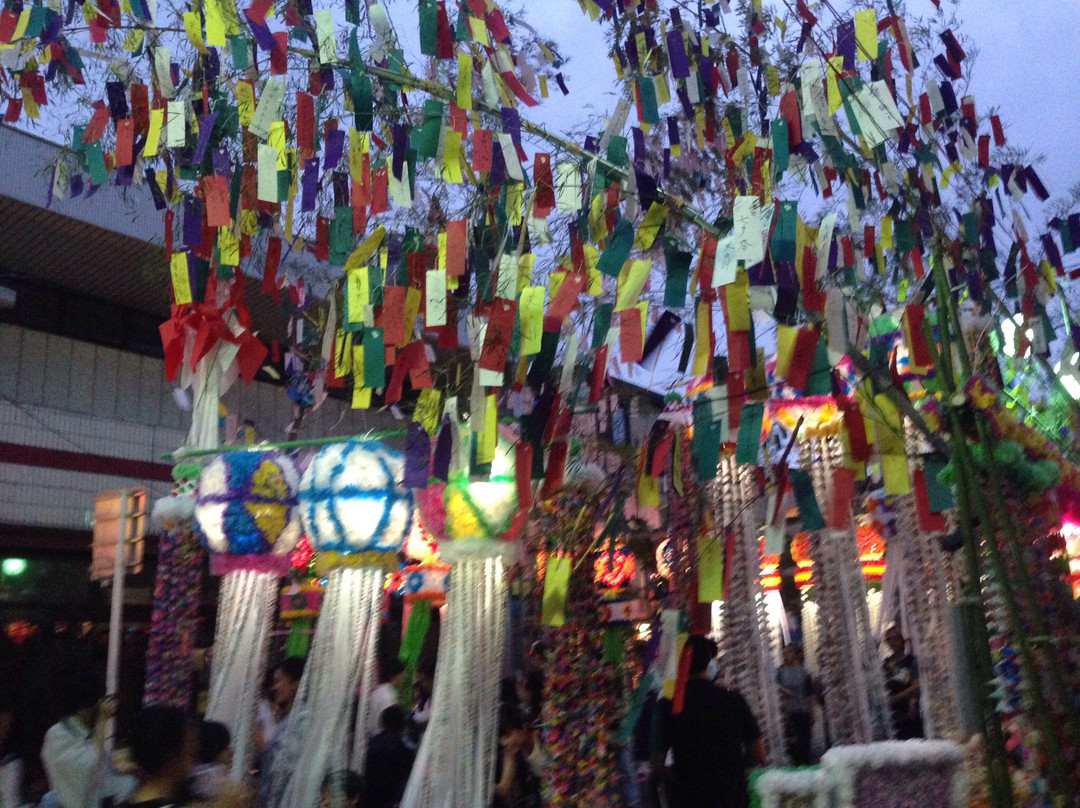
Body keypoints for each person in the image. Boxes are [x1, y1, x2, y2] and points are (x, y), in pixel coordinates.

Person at [662, 635, 766, 808]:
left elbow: (658, 765)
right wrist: (734, 764)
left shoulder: (669, 705)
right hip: (731, 796)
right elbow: (759, 755)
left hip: (688, 798)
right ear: (709, 661)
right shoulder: (733, 700)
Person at [41, 677, 136, 808]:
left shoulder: (85, 732)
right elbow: (90, 765)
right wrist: (101, 719)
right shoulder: (57, 734)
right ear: (85, 708)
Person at [257, 656, 305, 807]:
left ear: (295, 684)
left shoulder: (302, 721)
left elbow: (285, 772)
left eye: (278, 681)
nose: (274, 688)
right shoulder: (288, 721)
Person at [364, 706, 414, 808]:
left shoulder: (373, 741)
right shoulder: (404, 745)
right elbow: (405, 775)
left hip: (371, 793)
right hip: (391, 796)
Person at [493, 705, 540, 808]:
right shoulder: (511, 753)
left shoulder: (545, 738)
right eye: (501, 739)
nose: (504, 743)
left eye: (507, 736)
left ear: (523, 728)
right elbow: (503, 789)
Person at [882, 626, 923, 739]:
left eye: (896, 639)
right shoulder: (885, 664)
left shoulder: (911, 661)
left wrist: (895, 699)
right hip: (892, 718)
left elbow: (916, 687)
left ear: (902, 641)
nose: (893, 643)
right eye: (890, 640)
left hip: (909, 715)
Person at [776, 644, 814, 765]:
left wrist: (811, 712)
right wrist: (781, 689)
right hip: (787, 714)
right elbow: (772, 686)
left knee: (804, 743)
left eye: (788, 653)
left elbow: (809, 694)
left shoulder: (804, 671)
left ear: (795, 654)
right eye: (784, 653)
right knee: (791, 745)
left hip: (802, 711)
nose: (785, 656)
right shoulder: (780, 672)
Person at [190, 720, 232, 800]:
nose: (231, 752)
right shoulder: (214, 779)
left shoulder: (191, 774)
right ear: (215, 749)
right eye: (225, 747)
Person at [367, 659, 405, 738]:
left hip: (373, 736)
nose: (404, 677)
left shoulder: (378, 690)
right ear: (396, 676)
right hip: (383, 740)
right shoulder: (390, 696)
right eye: (402, 674)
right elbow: (390, 724)